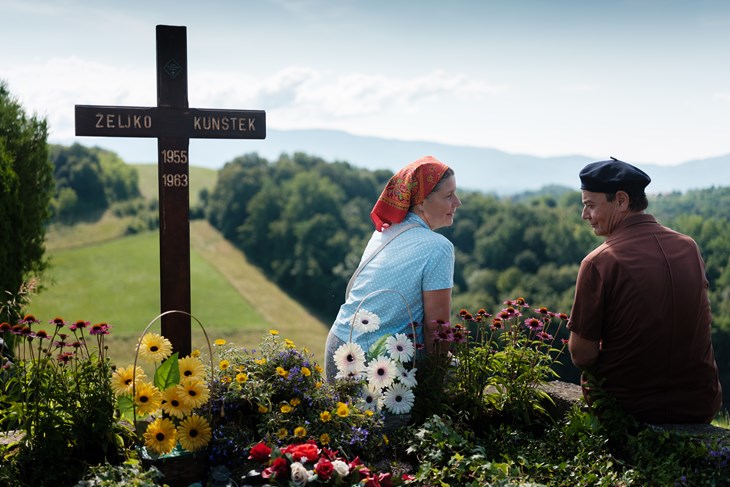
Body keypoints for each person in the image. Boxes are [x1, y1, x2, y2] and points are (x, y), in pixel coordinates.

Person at [567, 157, 722, 424]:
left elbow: (582, 354)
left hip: (628, 409)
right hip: (699, 404)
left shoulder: (599, 262)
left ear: (621, 201)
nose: (584, 216)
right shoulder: (689, 247)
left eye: (590, 205)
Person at [324, 155, 461, 383]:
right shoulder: (439, 248)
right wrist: (436, 384)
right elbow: (436, 330)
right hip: (378, 361)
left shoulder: (384, 231)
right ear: (421, 202)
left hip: (339, 345)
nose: (457, 202)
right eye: (449, 195)